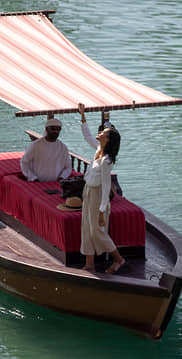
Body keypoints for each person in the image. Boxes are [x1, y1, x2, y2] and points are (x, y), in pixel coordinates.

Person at [77, 103, 126, 274]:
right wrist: (83, 115)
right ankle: (89, 263)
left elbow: (106, 187)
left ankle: (119, 259)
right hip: (88, 191)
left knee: (97, 230)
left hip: (98, 195)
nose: (100, 133)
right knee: (87, 228)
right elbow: (87, 135)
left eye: (103, 133)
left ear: (108, 139)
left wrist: (101, 210)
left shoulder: (106, 161)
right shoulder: (98, 149)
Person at [20, 117, 73, 182]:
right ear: (46, 129)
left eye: (58, 129)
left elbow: (68, 167)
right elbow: (24, 163)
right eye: (53, 129)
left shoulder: (63, 147)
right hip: (37, 184)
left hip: (56, 184)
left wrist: (62, 177)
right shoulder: (35, 145)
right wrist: (33, 178)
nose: (55, 131)